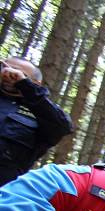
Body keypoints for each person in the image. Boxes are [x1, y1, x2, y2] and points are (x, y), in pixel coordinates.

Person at [0, 56, 72, 186]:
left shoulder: (41, 113)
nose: (7, 74)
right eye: (4, 68)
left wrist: (24, 85)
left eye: (17, 72)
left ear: (35, 82)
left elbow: (62, 126)